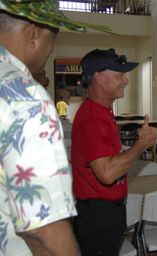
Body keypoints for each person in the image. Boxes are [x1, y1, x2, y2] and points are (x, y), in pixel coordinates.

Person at [0, 0, 106, 254]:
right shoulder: (24, 96)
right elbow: (43, 228)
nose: (51, 49)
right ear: (34, 33)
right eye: (53, 37)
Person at [71, 48, 157, 256]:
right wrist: (141, 144)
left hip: (106, 212)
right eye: (119, 74)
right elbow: (107, 173)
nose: (125, 80)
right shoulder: (93, 118)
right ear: (99, 78)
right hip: (98, 216)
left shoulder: (102, 111)